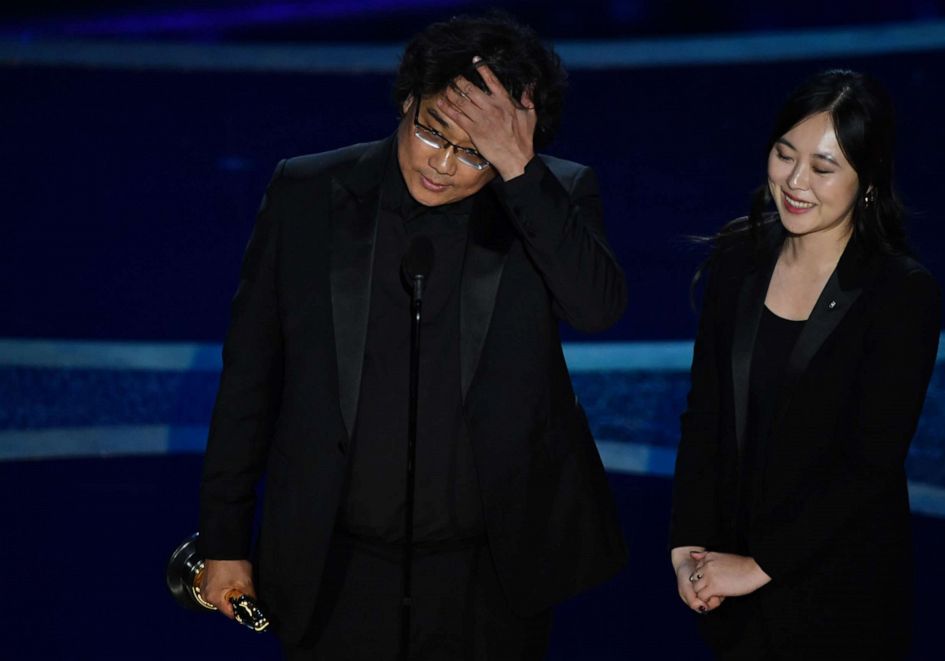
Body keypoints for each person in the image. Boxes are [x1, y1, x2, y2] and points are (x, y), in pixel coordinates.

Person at [195, 12, 627, 660]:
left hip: (487, 576)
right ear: (407, 99)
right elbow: (251, 374)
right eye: (433, 133)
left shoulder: (549, 198)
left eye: (475, 151)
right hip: (336, 568)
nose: (445, 165)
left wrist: (515, 169)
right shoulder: (308, 192)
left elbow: (596, 309)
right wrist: (223, 536)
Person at [669, 69, 940, 660]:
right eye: (784, 154)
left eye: (822, 168)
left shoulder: (900, 293)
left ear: (866, 182)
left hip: (841, 595)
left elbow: (869, 464)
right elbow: (705, 412)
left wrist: (760, 565)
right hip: (732, 593)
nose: (793, 182)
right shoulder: (739, 258)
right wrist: (689, 541)